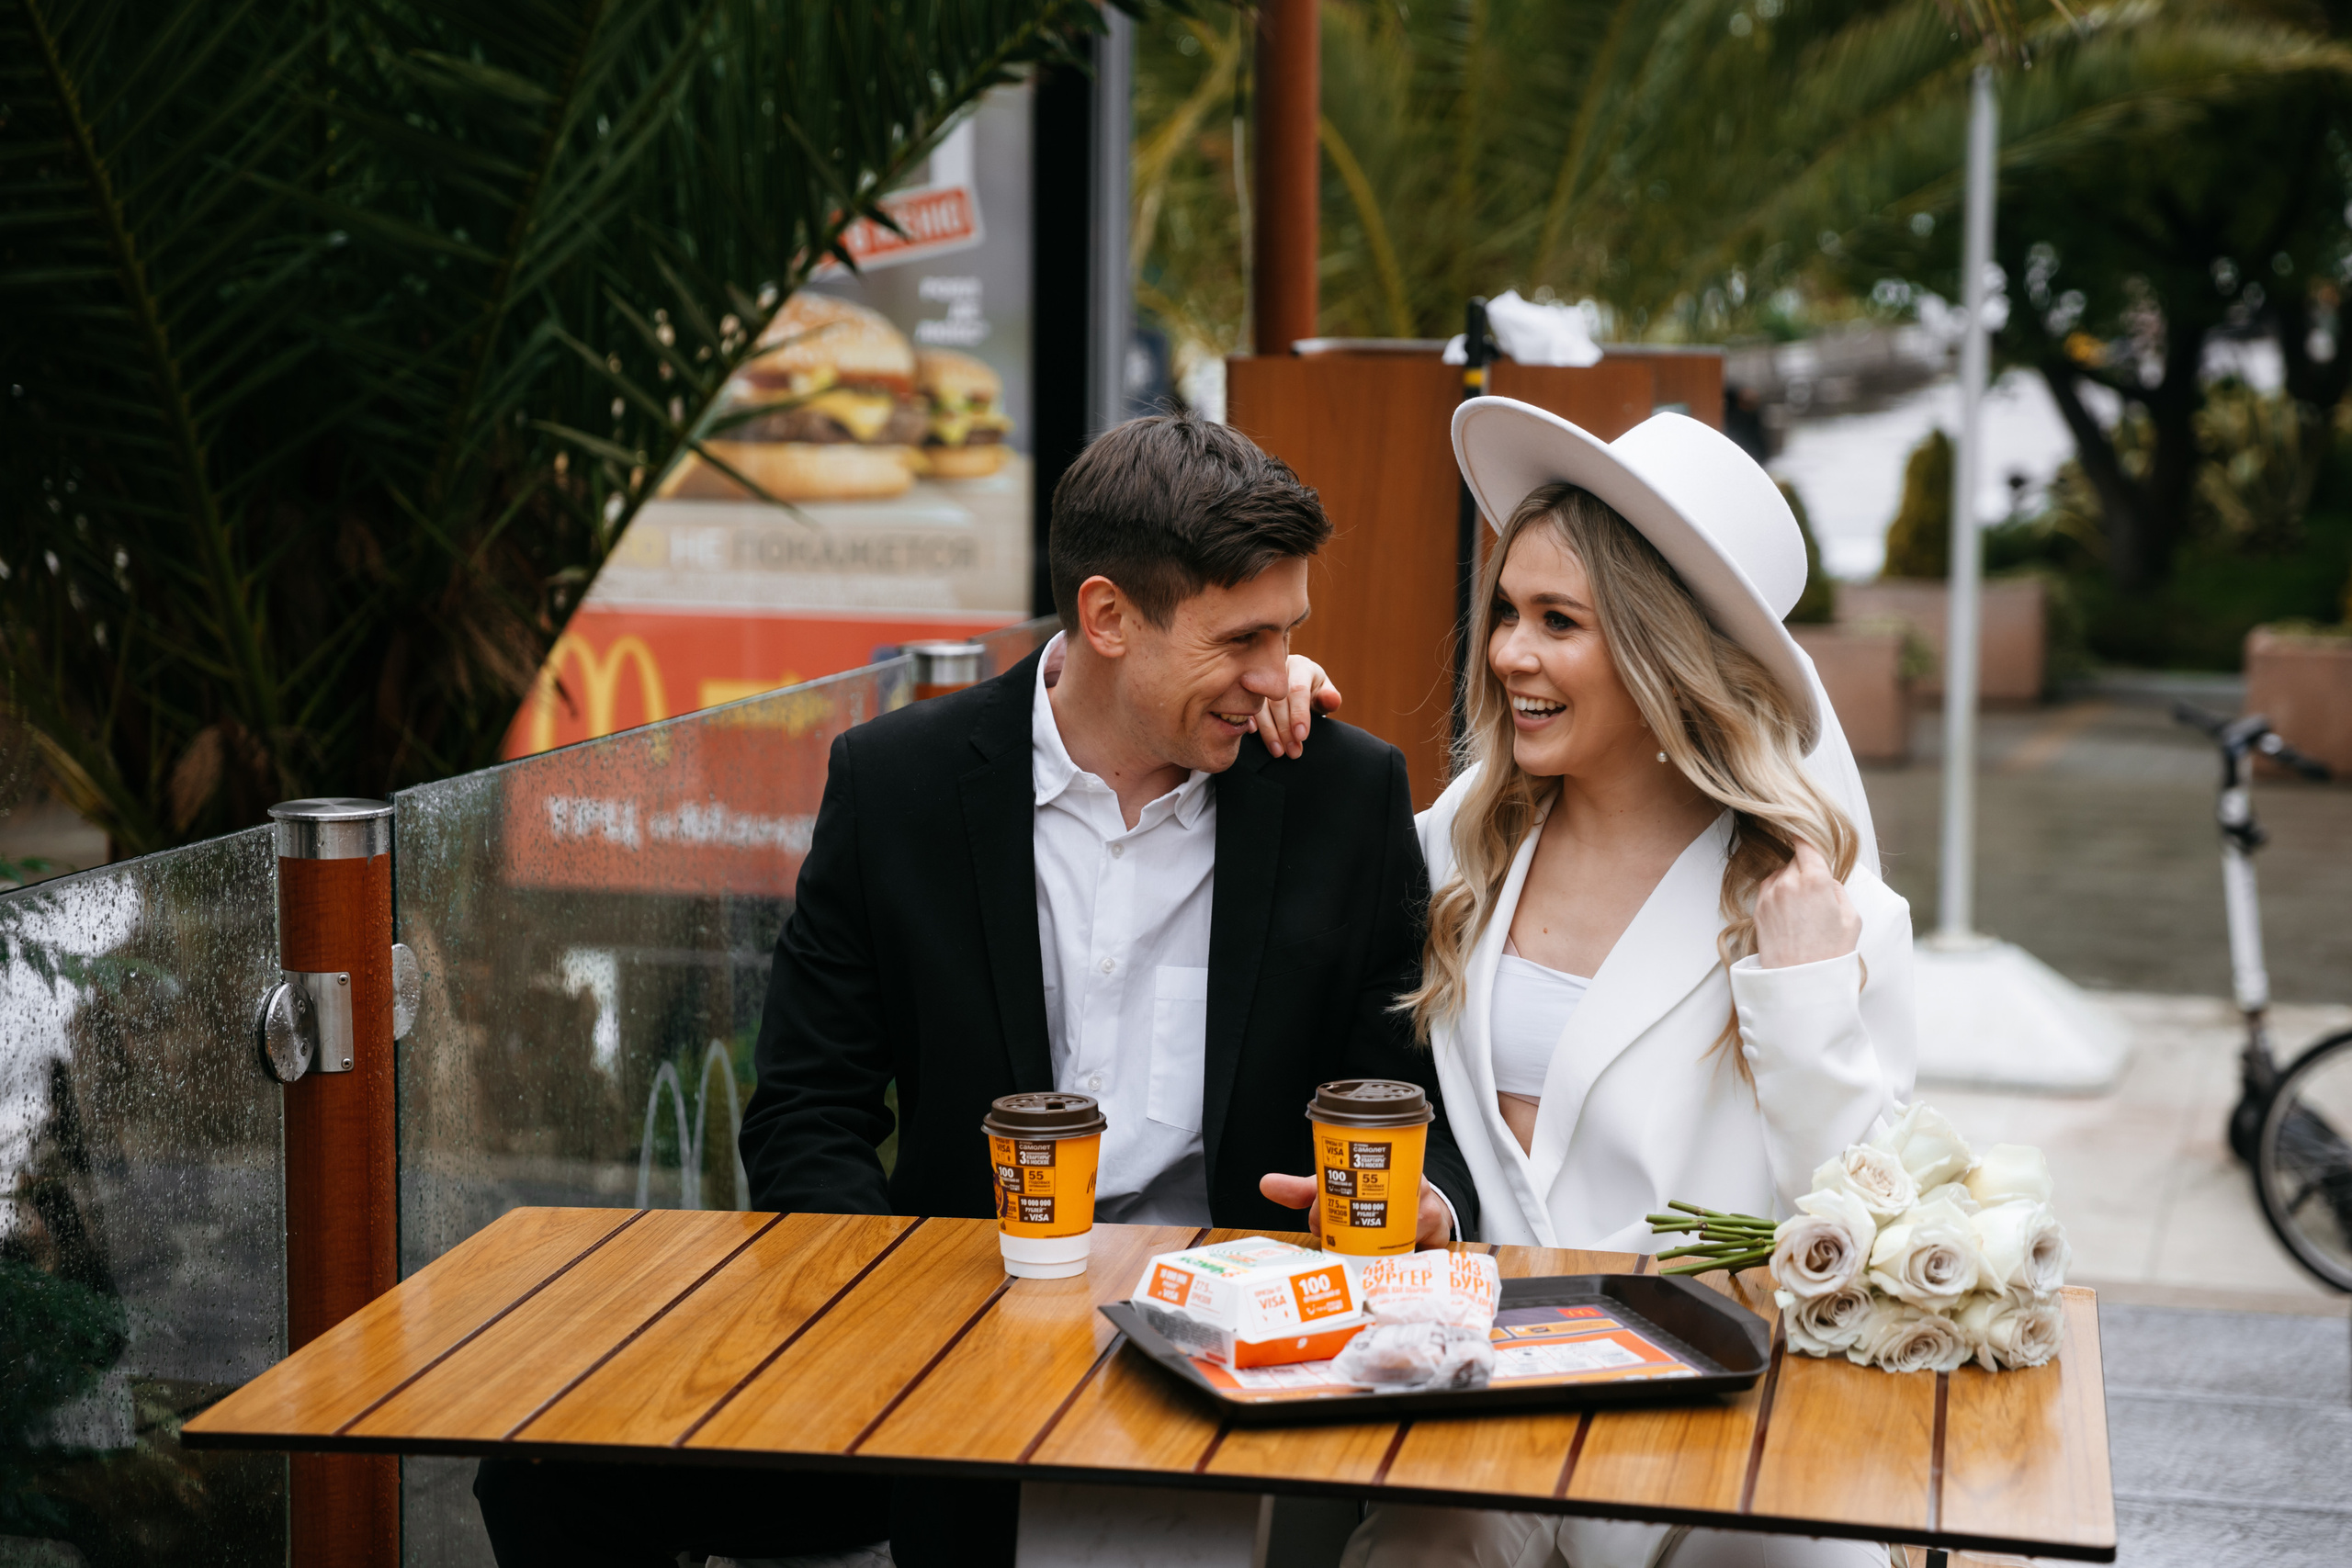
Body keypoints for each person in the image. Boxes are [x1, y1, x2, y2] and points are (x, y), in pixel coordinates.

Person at [472, 411, 1479, 1567]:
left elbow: (1413, 1102)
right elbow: (807, 1113)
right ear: (1106, 617)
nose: (1274, 674)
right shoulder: (895, 784)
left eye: (1286, 634)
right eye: (1239, 639)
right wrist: (904, 1328)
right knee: (546, 1473)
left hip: (1240, 1367)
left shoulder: (1339, 795)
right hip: (948, 1345)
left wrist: (1427, 1211)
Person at [1338, 400, 1914, 1568]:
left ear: (1664, 653)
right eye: (1506, 613)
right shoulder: (1457, 844)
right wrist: (1272, 703)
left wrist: (1802, 998)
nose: (1508, 655)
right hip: (1476, 1437)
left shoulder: (1822, 912)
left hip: (1719, 1465)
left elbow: (1868, 1242)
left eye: (1559, 621)